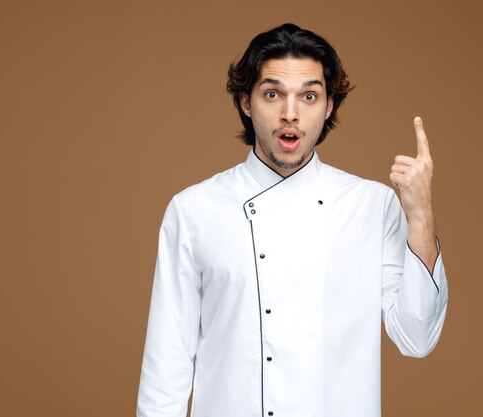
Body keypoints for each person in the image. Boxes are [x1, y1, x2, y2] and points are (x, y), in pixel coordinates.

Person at [137, 23, 448, 417]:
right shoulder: (194, 210)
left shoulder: (373, 206)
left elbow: (417, 337)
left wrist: (421, 216)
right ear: (246, 103)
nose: (290, 113)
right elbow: (167, 366)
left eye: (309, 96)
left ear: (329, 105)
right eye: (272, 94)